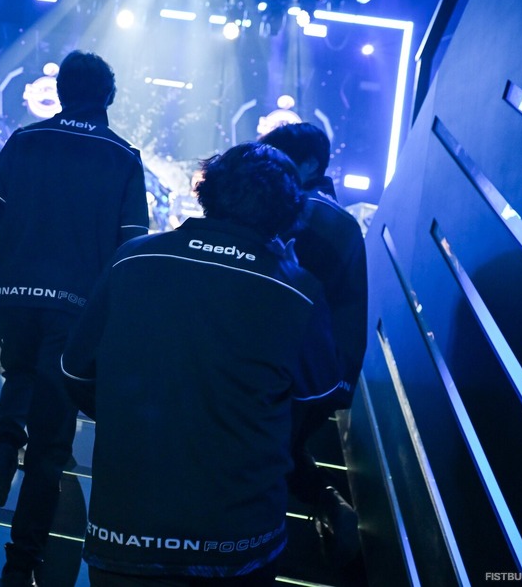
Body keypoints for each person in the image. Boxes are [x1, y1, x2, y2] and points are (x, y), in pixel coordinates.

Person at [61, 142, 347, 585]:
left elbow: (75, 373)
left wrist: (141, 418)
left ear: (206, 189)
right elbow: (318, 398)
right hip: (238, 542)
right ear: (290, 212)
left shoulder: (133, 258)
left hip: (125, 531)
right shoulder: (298, 290)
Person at [0, 50, 149, 585]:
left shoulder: (26, 140)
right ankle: (22, 561)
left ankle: (5, 441)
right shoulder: (124, 157)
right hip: (79, 304)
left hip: (14, 292)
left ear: (60, 93)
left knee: (20, 370)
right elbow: (133, 243)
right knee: (53, 441)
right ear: (108, 97)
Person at [258, 122, 367, 562]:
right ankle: (329, 507)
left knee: (264, 453)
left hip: (296, 368)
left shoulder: (302, 213)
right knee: (279, 449)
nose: (269, 171)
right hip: (325, 372)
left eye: (278, 160)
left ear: (308, 164)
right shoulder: (336, 217)